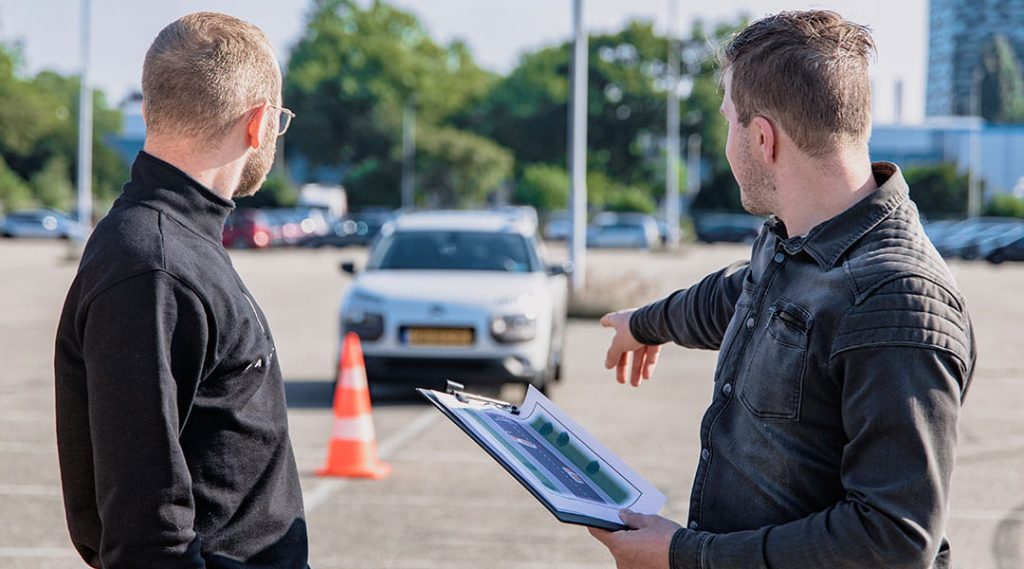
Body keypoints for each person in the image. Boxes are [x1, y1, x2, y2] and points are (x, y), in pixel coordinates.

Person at [590, 10, 975, 569]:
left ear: (763, 137)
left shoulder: (898, 301)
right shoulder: (796, 242)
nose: (728, 144)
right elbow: (738, 296)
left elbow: (890, 541)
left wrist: (686, 556)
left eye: (729, 122)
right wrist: (643, 323)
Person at [54, 13, 307, 569]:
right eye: (280, 122)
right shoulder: (153, 265)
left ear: (149, 111)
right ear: (260, 124)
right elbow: (148, 537)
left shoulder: (176, 245)